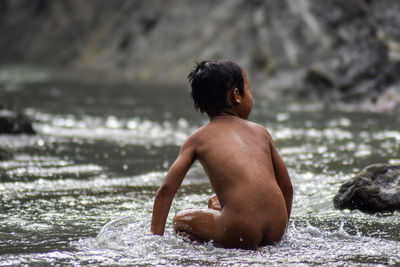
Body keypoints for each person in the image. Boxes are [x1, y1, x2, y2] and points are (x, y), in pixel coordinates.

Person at [151, 60, 293, 249]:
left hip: (240, 230)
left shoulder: (198, 139)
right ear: (237, 95)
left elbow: (166, 190)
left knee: (181, 221)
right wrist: (282, 231)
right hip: (277, 226)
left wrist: (154, 241)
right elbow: (287, 187)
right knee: (214, 203)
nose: (250, 95)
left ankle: (219, 250)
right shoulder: (261, 132)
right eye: (248, 90)